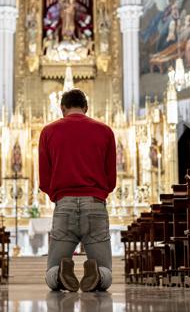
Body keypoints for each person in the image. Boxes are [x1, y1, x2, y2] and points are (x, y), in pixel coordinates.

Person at [39, 89, 116, 292]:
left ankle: (61, 273)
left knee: (50, 273)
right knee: (106, 274)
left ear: (62, 108)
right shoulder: (105, 131)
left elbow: (44, 179)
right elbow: (111, 179)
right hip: (95, 205)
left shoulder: (48, 131)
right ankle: (97, 274)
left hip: (64, 205)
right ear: (86, 108)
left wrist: (58, 195)